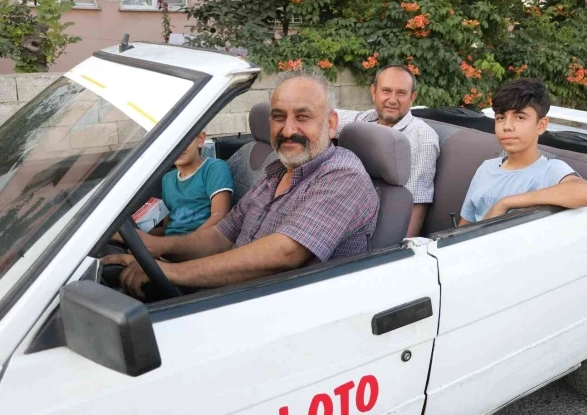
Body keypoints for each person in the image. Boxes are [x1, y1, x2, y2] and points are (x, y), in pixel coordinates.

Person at [102, 68, 380, 298]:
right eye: (279, 117)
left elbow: (285, 253)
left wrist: (170, 271)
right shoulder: (276, 172)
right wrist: (158, 248)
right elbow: (221, 235)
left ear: (331, 124)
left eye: (303, 117)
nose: (288, 130)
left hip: (281, 313)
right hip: (232, 297)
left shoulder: (343, 175)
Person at [459, 78, 587, 225]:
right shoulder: (486, 168)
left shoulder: (550, 170)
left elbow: (585, 193)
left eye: (520, 117)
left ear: (541, 125)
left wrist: (505, 203)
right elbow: (464, 227)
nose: (507, 126)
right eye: (500, 118)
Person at [336, 65, 439, 237]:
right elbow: (328, 118)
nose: (392, 100)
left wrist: (402, 250)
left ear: (412, 98)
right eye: (386, 91)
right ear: (373, 92)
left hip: (377, 234)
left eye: (401, 93)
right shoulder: (367, 118)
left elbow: (415, 204)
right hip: (346, 214)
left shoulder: (422, 138)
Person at [157, 132, 233, 236]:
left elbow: (220, 216)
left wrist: (184, 242)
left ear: (200, 139)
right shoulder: (167, 179)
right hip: (171, 240)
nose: (177, 147)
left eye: (183, 139)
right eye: (170, 142)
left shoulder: (214, 168)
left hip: (201, 240)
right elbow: (167, 227)